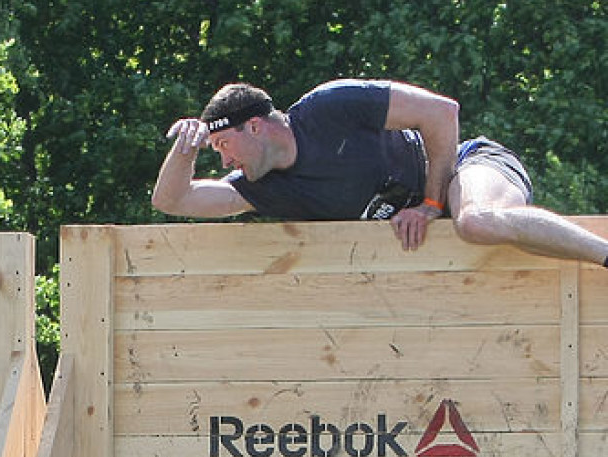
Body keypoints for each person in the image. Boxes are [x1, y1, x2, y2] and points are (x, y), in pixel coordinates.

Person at [152, 78, 608, 265]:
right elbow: (172, 201)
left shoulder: (329, 107)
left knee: (475, 221)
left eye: (223, 145)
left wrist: (431, 204)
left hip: (467, 167)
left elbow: (442, 113)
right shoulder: (266, 187)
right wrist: (185, 151)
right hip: (428, 246)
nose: (225, 162)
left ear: (255, 126)